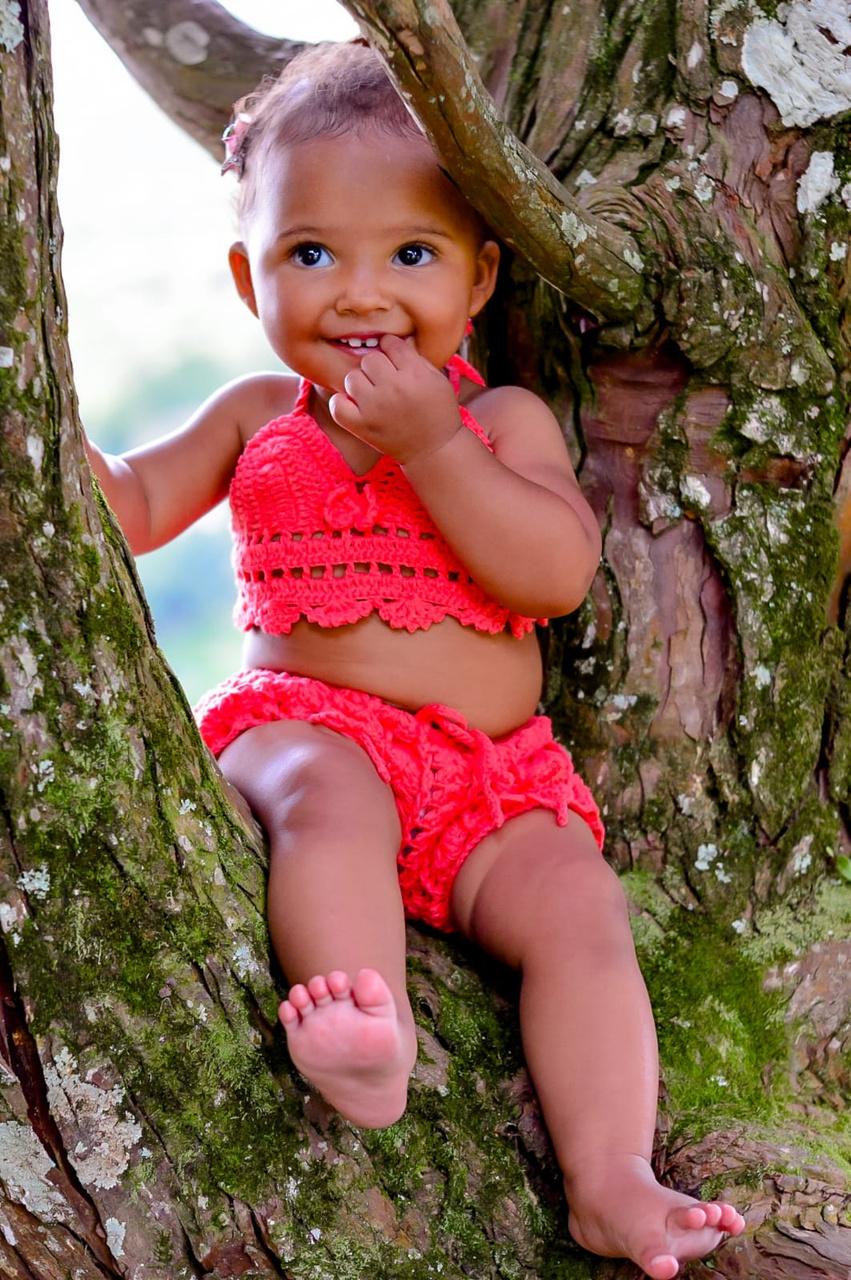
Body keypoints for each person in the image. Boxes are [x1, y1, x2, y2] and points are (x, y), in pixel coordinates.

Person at [84, 41, 745, 1279]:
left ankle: (610, 1175)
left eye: (410, 254)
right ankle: (363, 1028)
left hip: (487, 781)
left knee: (580, 907)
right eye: (309, 254)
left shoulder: (496, 421)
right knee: (320, 800)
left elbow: (550, 571)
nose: (358, 294)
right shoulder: (254, 420)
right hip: (309, 724)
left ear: (479, 275)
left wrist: (436, 445)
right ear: (248, 276)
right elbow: (123, 503)